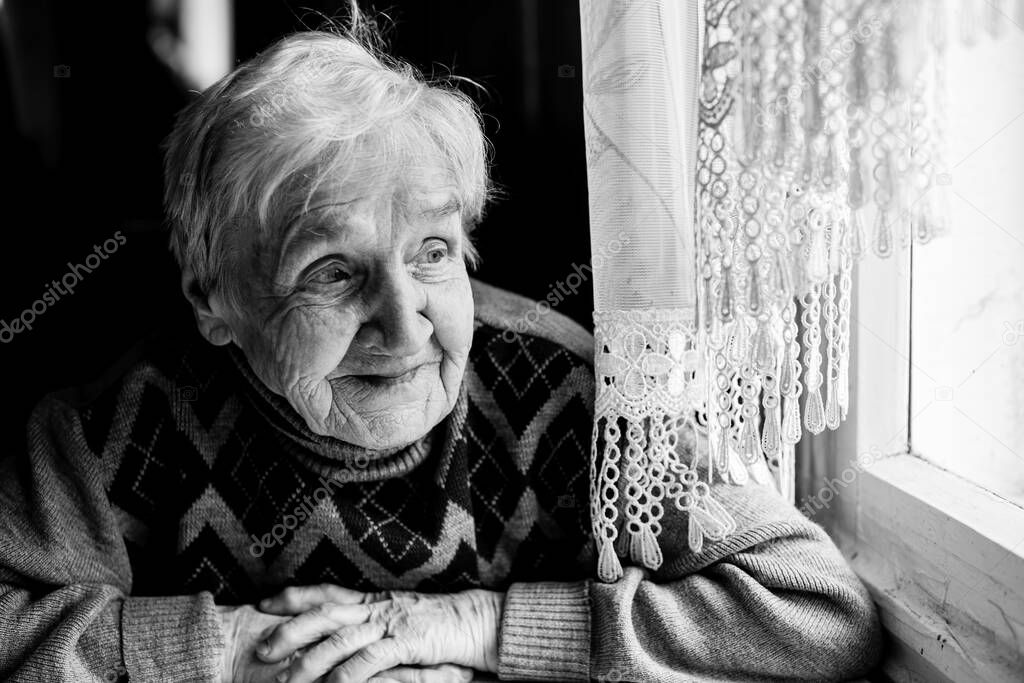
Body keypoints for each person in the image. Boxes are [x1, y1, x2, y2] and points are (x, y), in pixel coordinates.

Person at [0, 13, 882, 683]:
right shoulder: (112, 423)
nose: (406, 321)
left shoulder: (577, 396)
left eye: (432, 253)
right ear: (213, 298)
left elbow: (814, 612)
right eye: (334, 273)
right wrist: (227, 647)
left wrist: (480, 626)